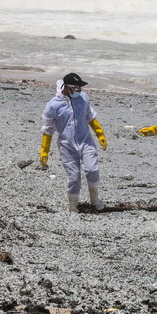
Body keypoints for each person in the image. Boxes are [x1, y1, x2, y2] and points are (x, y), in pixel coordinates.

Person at [40, 73, 107, 213]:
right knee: (74, 177)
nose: (80, 91)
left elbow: (90, 116)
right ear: (68, 88)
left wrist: (100, 134)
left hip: (86, 141)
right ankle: (73, 205)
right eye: (78, 88)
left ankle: (95, 199)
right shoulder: (53, 105)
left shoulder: (83, 98)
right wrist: (44, 151)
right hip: (67, 146)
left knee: (92, 170)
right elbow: (48, 129)